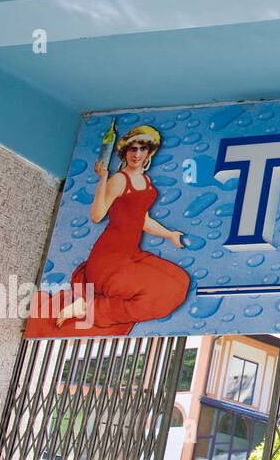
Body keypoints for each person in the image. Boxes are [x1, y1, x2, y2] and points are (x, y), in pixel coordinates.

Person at [27, 125, 190, 337]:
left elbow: (143, 220)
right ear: (125, 151)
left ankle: (95, 303)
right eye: (133, 149)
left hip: (131, 254)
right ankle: (89, 308)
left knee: (180, 281)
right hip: (109, 259)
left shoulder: (146, 181)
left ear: (150, 152)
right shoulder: (120, 180)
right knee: (160, 295)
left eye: (142, 149)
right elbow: (97, 215)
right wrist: (103, 178)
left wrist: (169, 234)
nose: (137, 154)